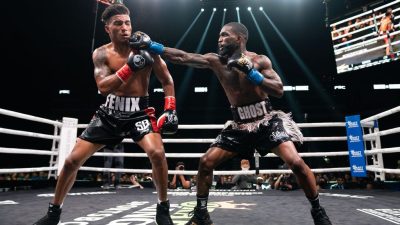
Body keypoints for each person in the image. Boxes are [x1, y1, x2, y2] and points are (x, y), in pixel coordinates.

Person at [129, 22, 332, 225]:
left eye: (225, 35)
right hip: (239, 125)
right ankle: (201, 215)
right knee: (206, 162)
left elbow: (278, 89)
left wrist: (253, 73)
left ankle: (318, 211)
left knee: (296, 162)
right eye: (219, 36)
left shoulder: (259, 60)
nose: (220, 39)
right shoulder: (216, 61)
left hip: (266, 121)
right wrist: (152, 45)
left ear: (239, 39)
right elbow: (183, 56)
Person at [33, 4, 177, 225]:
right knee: (72, 161)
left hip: (139, 112)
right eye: (118, 23)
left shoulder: (146, 48)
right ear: (107, 28)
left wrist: (170, 109)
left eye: (127, 23)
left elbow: (167, 80)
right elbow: (103, 86)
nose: (124, 28)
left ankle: (163, 208)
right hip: (109, 113)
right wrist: (129, 67)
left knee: (157, 154)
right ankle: (53, 213)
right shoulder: (101, 53)